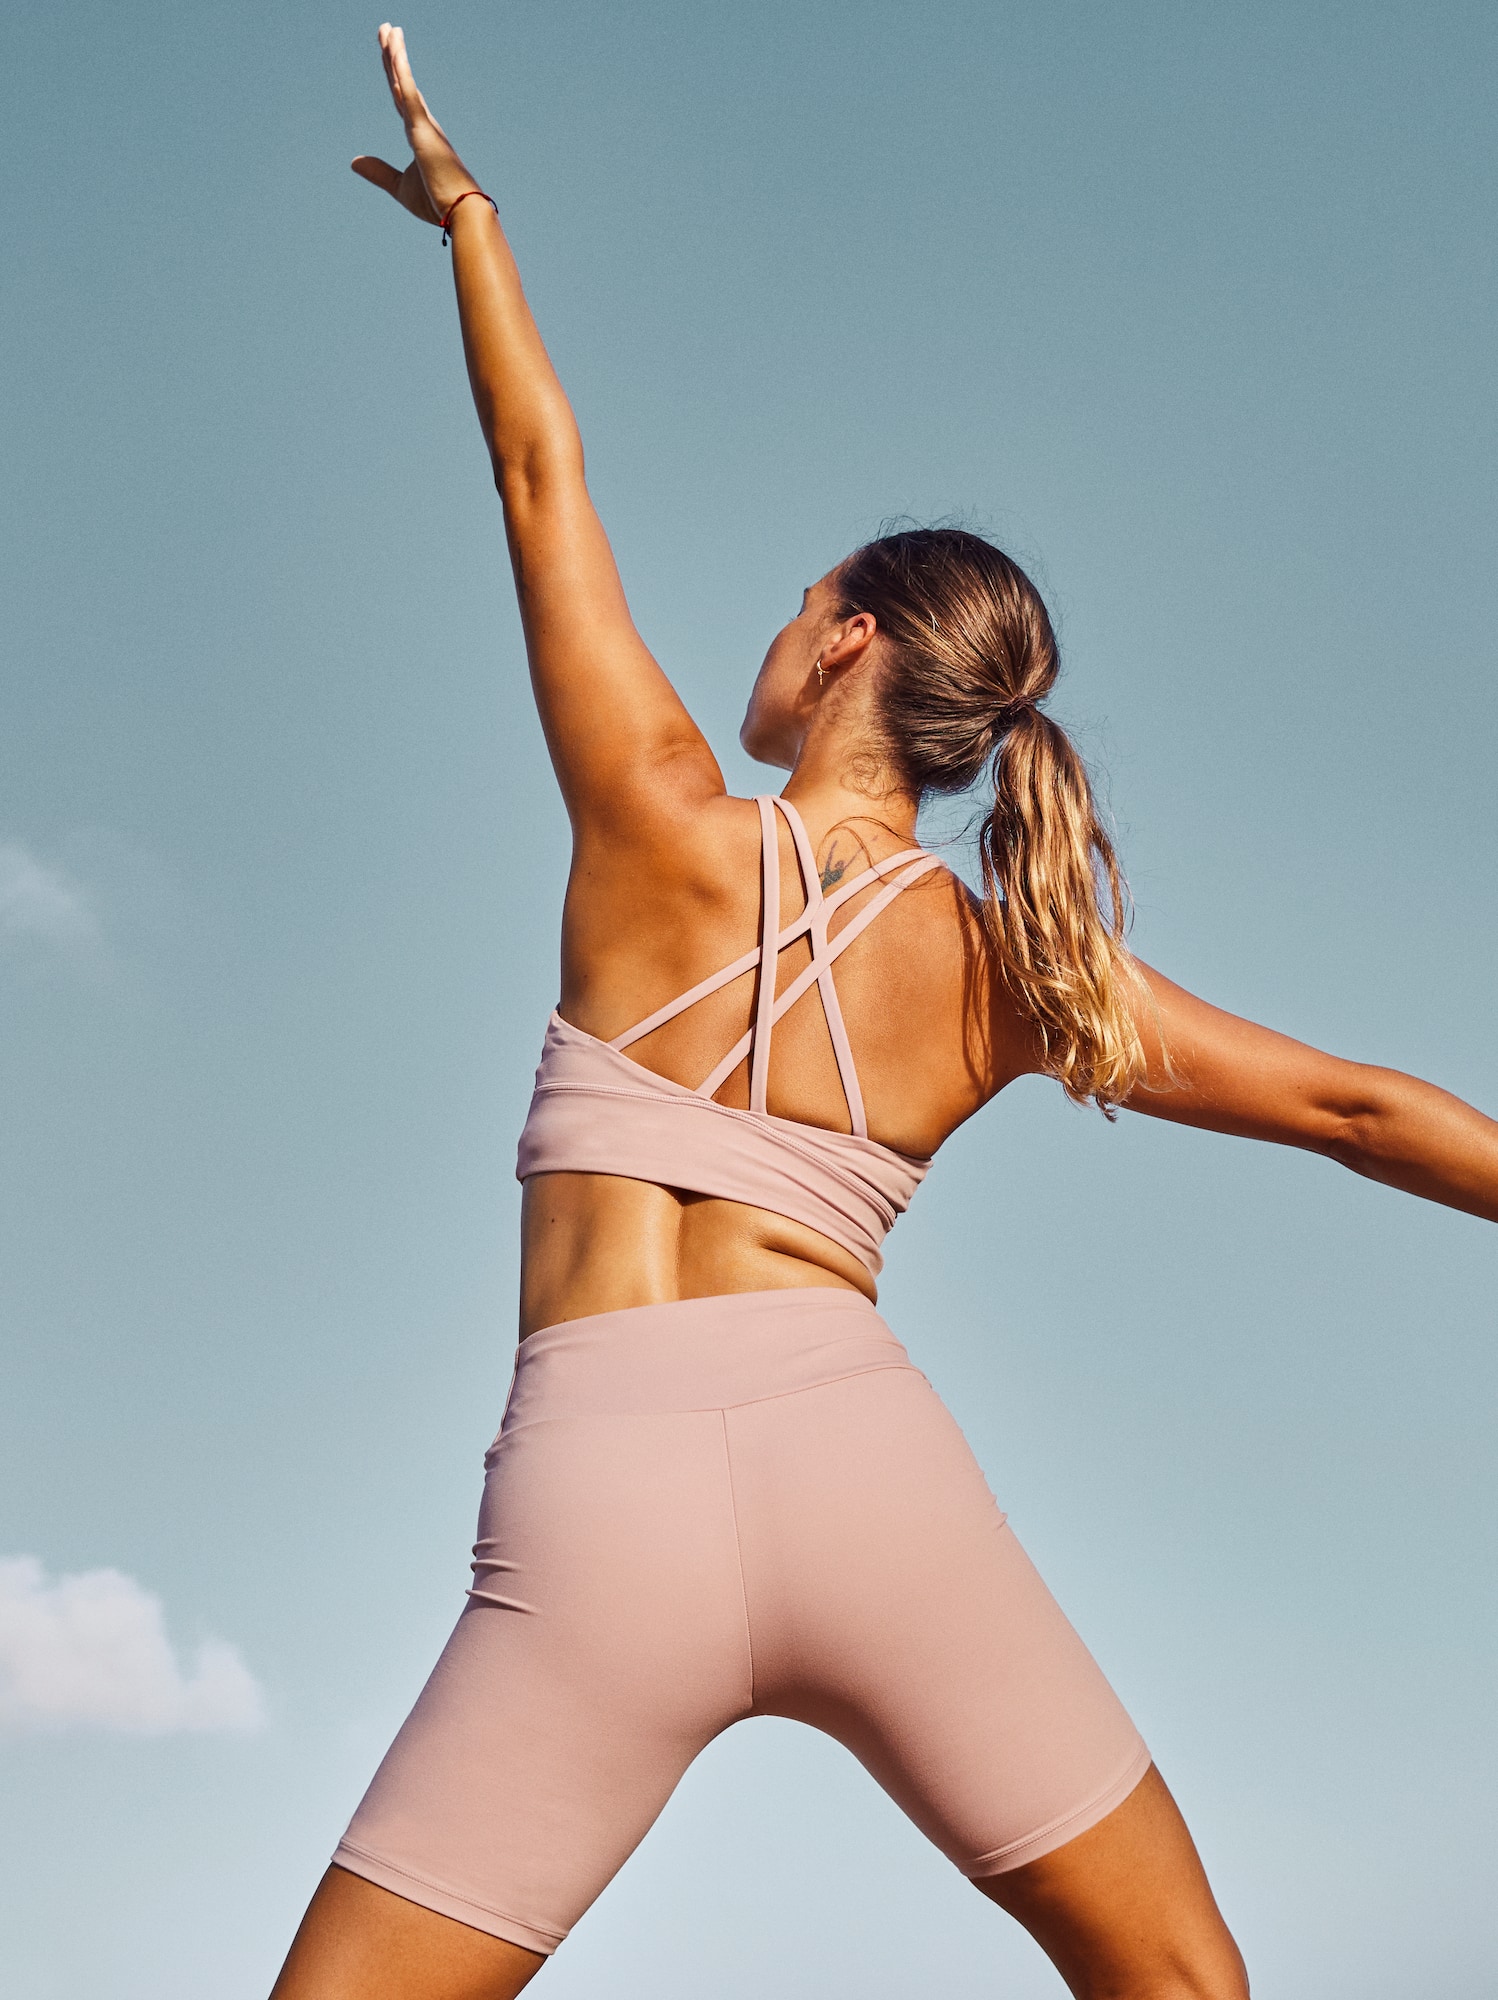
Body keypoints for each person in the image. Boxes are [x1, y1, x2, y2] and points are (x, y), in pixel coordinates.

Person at [271, 27, 1498, 2000]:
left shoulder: (654, 815)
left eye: (790, 606)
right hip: (858, 1463)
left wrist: (471, 229)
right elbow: (1354, 1110)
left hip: (594, 1499)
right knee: (1180, 1984)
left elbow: (534, 468)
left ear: (842, 633)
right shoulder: (1019, 970)